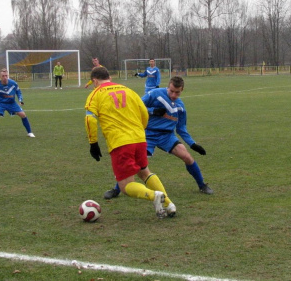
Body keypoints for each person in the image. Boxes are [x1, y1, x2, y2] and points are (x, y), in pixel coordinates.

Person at [85, 66, 176, 218]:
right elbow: (144, 112)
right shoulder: (129, 90)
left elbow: (90, 119)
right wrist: (141, 129)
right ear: (110, 78)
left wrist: (93, 143)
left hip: (120, 142)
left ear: (95, 81)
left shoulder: (95, 94)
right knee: (144, 172)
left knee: (125, 186)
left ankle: (154, 196)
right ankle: (169, 204)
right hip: (140, 138)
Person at [104, 76, 213, 200]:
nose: (173, 94)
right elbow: (136, 106)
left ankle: (202, 185)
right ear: (168, 87)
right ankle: (117, 189)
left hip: (167, 136)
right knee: (136, 163)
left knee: (187, 157)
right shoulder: (155, 94)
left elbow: (181, 129)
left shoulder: (180, 107)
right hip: (147, 134)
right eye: (171, 91)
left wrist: (193, 144)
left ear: (182, 90)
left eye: (177, 92)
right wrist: (153, 111)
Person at [0, 68, 35, 139]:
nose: (5, 77)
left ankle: (29, 132)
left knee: (23, 114)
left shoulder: (13, 83)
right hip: (0, 103)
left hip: (11, 103)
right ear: (0, 76)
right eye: (3, 76)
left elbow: (18, 92)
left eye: (6, 75)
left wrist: (20, 100)